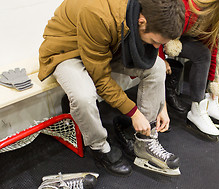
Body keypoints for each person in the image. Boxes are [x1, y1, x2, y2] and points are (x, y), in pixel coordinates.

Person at [38, 0, 186, 176]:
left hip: (105, 47)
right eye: (154, 41)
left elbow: (141, 54)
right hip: (67, 50)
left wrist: (161, 106)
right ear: (142, 20)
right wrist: (134, 113)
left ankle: (145, 140)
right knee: (83, 96)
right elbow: (100, 79)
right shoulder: (97, 13)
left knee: (158, 67)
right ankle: (100, 148)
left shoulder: (144, 10)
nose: (155, 47)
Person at [160, 0, 219, 141]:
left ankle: (205, 104)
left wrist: (212, 87)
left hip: (185, 32)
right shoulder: (193, 8)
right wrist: (161, 58)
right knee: (202, 54)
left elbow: (214, 46)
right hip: (165, 34)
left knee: (210, 51)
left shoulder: (215, 14)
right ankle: (196, 109)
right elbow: (160, 28)